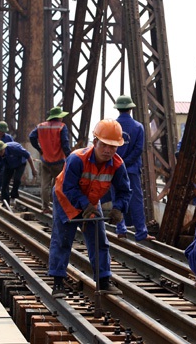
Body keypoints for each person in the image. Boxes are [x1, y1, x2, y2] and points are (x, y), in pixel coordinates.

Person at [48, 119, 132, 298]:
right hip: (66, 200)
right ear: (95, 142)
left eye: (113, 147)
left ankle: (103, 281)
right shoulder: (77, 159)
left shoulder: (117, 165)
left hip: (92, 201)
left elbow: (124, 191)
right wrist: (84, 205)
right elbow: (69, 188)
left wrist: (118, 209)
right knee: (62, 239)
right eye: (104, 145)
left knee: (99, 240)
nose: (108, 150)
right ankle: (57, 283)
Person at [107, 95, 154, 241]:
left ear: (118, 109)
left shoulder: (112, 126)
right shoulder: (138, 127)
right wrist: (126, 163)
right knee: (136, 200)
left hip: (115, 168)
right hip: (132, 169)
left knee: (117, 198)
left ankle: (120, 230)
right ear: (131, 108)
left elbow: (108, 147)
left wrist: (119, 164)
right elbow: (138, 149)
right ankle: (141, 232)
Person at [29, 106, 71, 214]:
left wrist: (39, 149)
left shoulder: (40, 126)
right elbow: (65, 144)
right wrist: (70, 157)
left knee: (45, 184)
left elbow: (31, 137)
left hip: (45, 160)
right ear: (59, 117)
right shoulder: (62, 127)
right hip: (59, 161)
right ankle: (58, 206)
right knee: (59, 185)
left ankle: (45, 207)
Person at [0, 140, 38, 206]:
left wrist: (33, 169)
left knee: (17, 179)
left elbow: (28, 156)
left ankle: (13, 196)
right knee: (4, 183)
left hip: (20, 164)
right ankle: (5, 202)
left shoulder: (14, 148)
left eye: (1, 151)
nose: (0, 153)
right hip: (8, 166)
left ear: (4, 148)